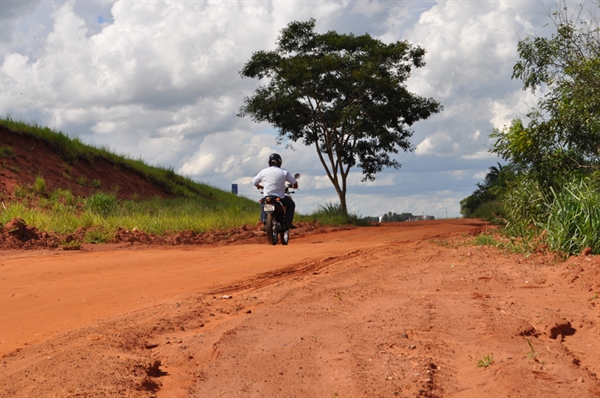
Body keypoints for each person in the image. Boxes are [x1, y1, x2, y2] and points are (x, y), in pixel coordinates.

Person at [252, 153, 298, 229]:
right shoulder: (284, 172)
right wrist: (295, 186)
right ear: (280, 162)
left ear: (269, 162)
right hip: (280, 197)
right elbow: (295, 183)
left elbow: (254, 182)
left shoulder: (263, 171)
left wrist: (259, 187)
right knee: (291, 204)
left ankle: (263, 220)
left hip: (267, 196)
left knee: (262, 203)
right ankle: (288, 222)